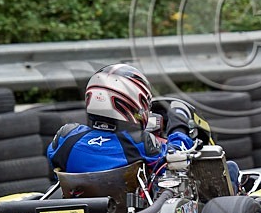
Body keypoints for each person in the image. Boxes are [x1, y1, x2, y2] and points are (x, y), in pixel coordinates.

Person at [46, 64, 195, 175]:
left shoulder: (66, 137)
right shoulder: (140, 142)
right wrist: (179, 122)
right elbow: (177, 155)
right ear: (132, 101)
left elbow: (54, 161)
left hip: (77, 205)